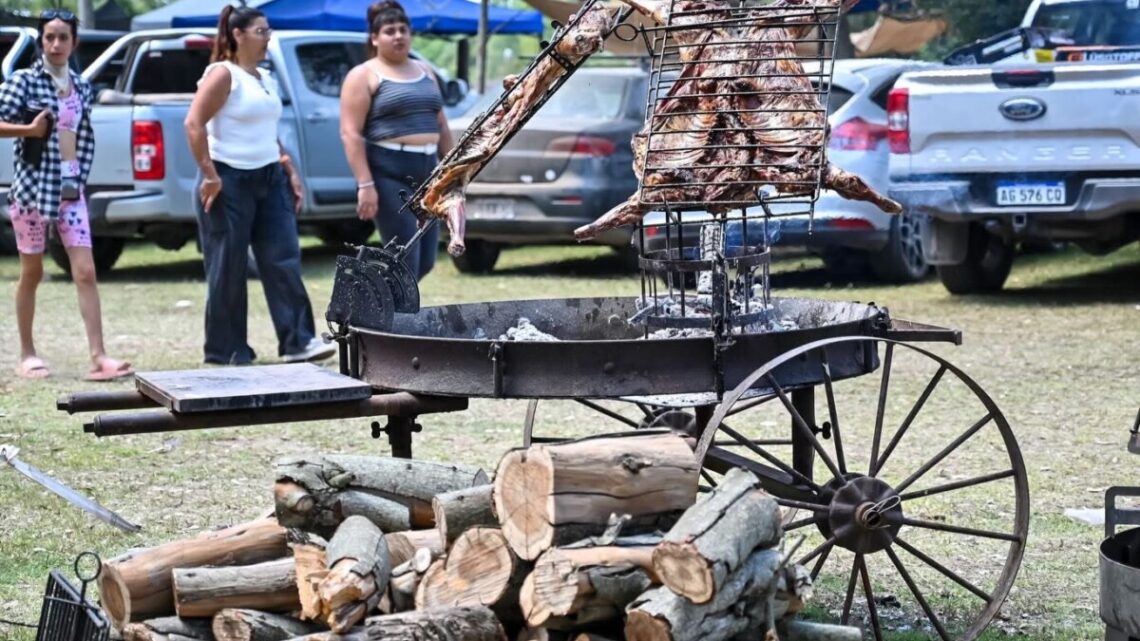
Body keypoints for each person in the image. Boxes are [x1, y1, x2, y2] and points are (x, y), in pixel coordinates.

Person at [184, 5, 336, 366]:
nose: (268, 38)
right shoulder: (223, 74)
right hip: (228, 179)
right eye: (261, 31)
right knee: (228, 266)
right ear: (238, 35)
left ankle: (299, 341)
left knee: (283, 258)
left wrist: (289, 168)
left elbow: (268, 129)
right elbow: (193, 124)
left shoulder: (264, 77)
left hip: (269, 177)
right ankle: (226, 349)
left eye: (269, 31)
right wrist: (209, 174)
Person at [0, 10, 133, 381]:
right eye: (49, 37)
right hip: (31, 191)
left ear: (75, 42)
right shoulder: (23, 81)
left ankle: (99, 356)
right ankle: (27, 354)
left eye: (63, 37)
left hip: (70, 189)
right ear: (41, 41)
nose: (56, 44)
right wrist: (28, 130)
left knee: (86, 271)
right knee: (32, 271)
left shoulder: (81, 85)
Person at [339, 0, 455, 281]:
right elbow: (350, 133)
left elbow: (440, 123)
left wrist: (453, 172)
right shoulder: (363, 75)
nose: (398, 36)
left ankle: (376, 300)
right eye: (389, 31)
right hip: (389, 171)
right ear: (374, 38)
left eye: (403, 30)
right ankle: (384, 308)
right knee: (405, 258)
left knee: (425, 261)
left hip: (428, 170)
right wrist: (365, 185)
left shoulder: (425, 71)